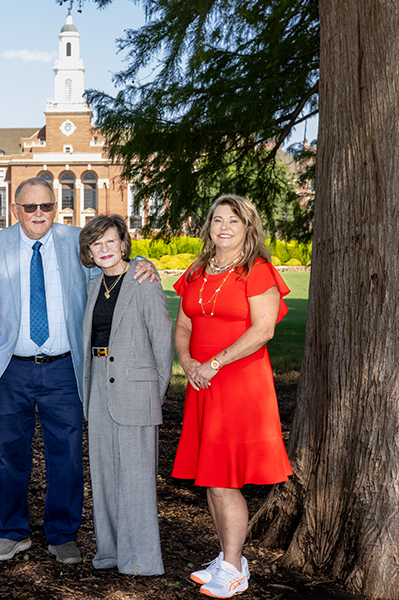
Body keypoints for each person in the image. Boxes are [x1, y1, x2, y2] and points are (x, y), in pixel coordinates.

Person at [0, 177, 157, 565]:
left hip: (64, 370)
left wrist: (142, 264)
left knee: (66, 455)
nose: (39, 214)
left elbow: (110, 264)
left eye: (47, 207)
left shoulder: (75, 242)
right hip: (9, 370)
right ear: (15, 208)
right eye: (31, 207)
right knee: (9, 455)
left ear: (56, 207)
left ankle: (62, 534)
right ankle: (13, 531)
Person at [172, 194, 293, 598]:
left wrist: (214, 363)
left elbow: (263, 330)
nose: (224, 227)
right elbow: (184, 325)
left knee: (224, 479)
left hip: (238, 382)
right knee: (211, 476)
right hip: (202, 382)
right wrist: (188, 362)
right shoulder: (197, 270)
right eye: (217, 219)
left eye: (234, 221)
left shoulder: (257, 271)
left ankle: (234, 567)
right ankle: (228, 557)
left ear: (248, 228)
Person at [78, 214, 173, 576]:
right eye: (96, 244)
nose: (104, 249)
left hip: (136, 386)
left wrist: (155, 389)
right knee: (102, 474)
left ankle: (142, 561)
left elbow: (162, 340)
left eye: (110, 241)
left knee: (135, 477)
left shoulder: (143, 281)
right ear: (89, 251)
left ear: (123, 244)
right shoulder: (92, 287)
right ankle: (111, 553)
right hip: (98, 382)